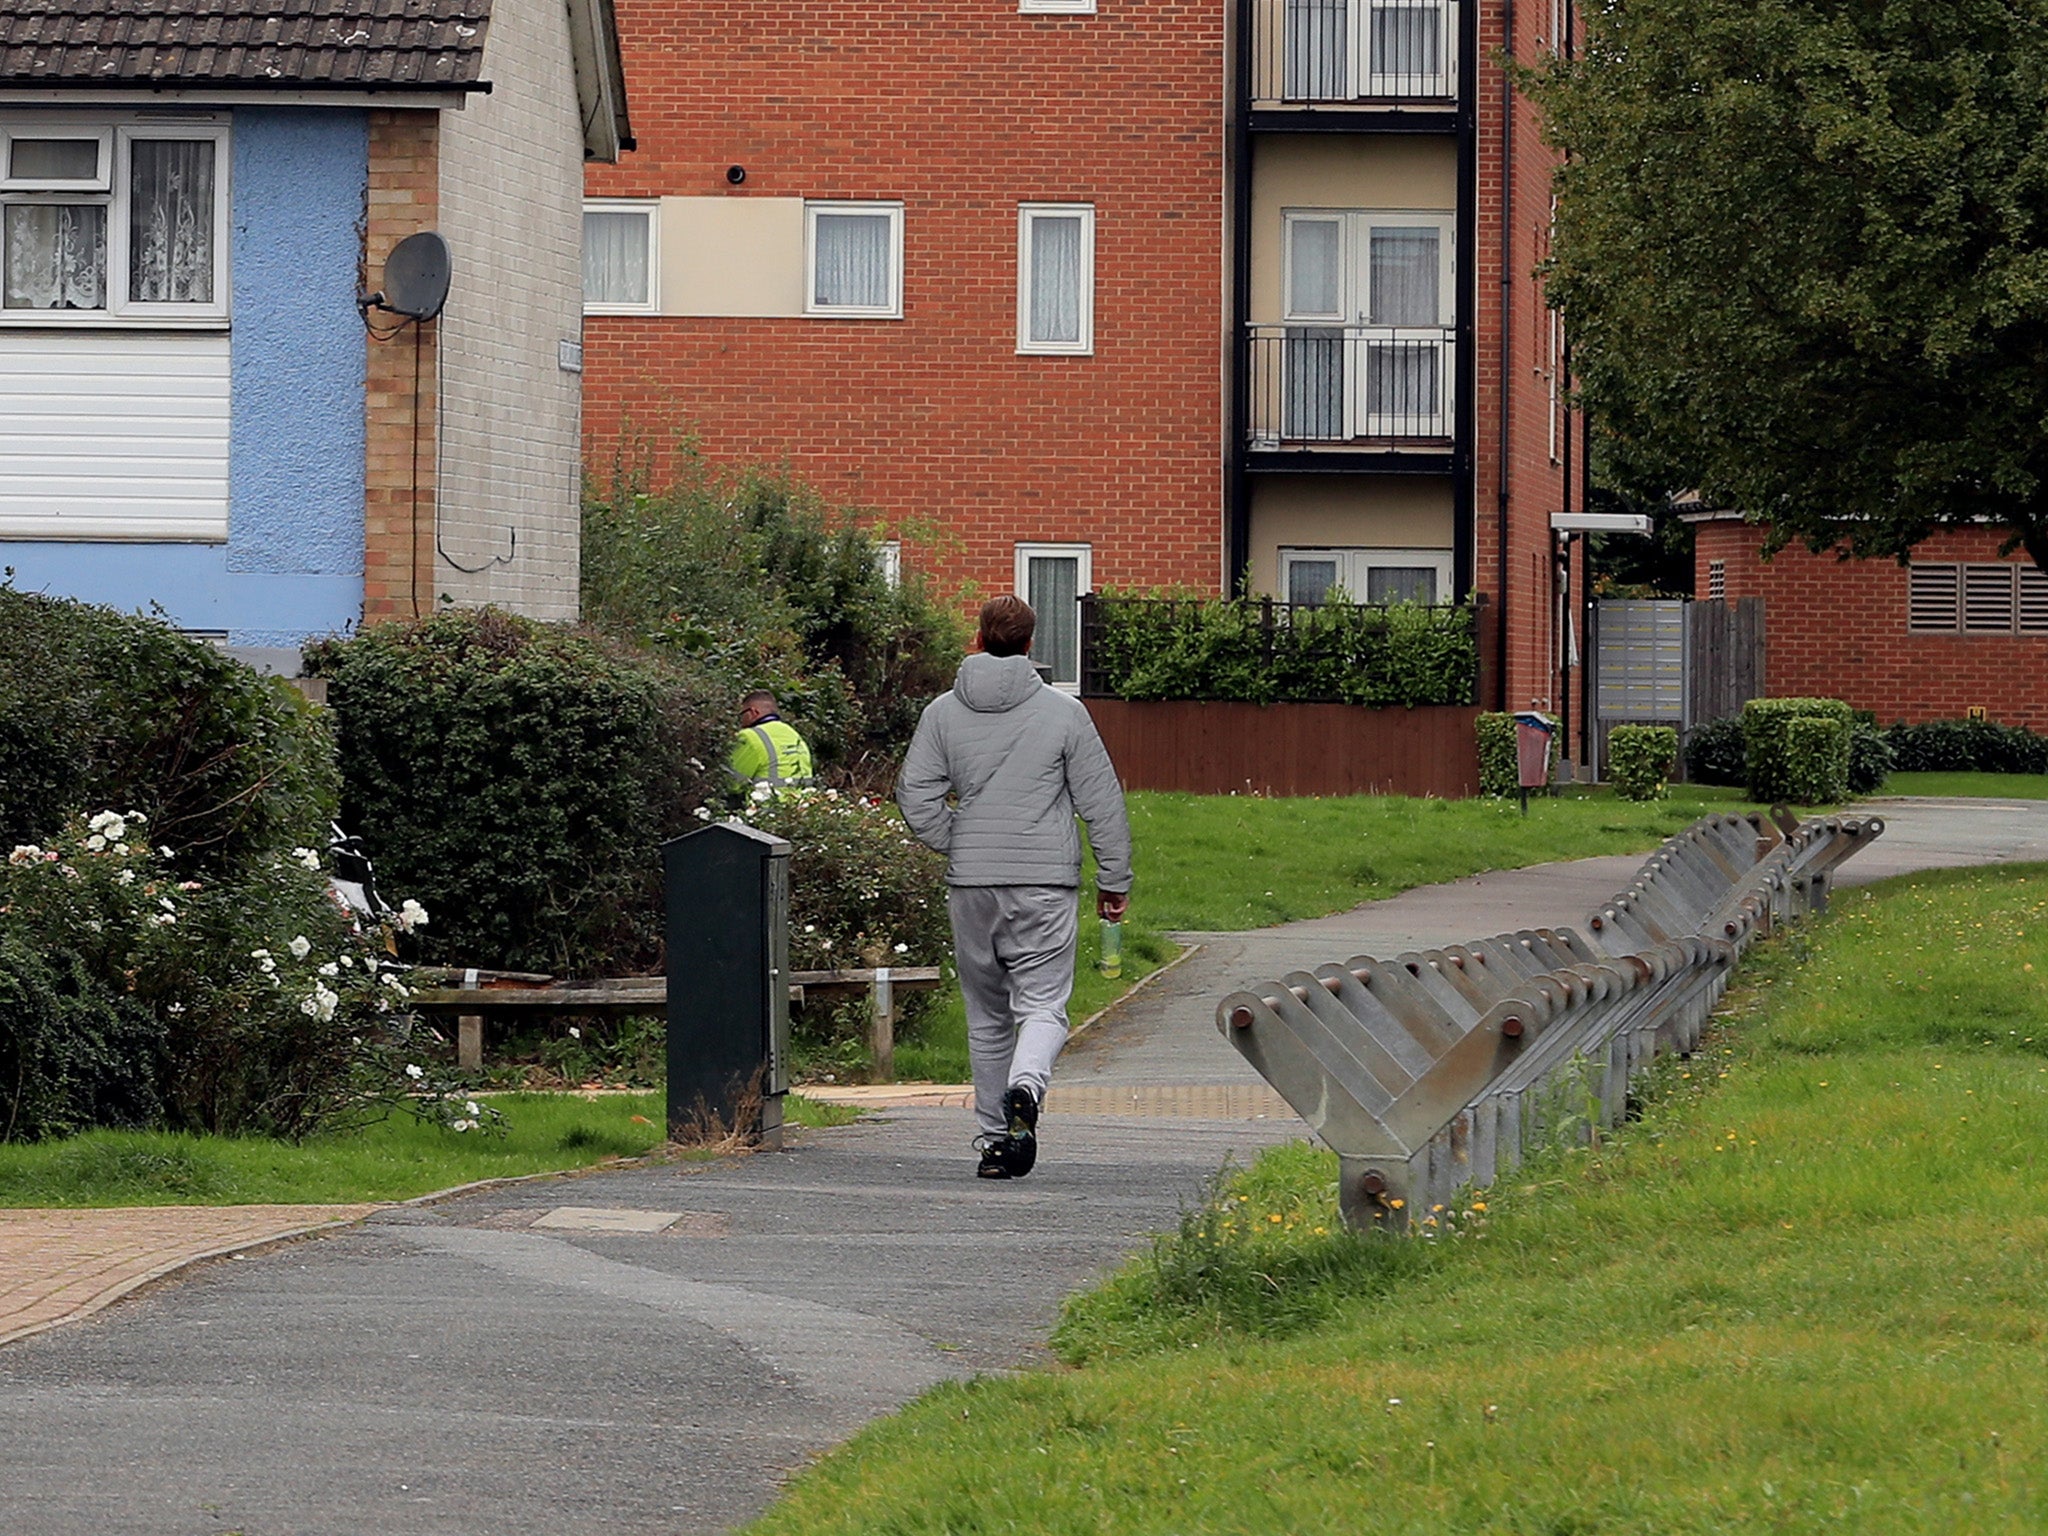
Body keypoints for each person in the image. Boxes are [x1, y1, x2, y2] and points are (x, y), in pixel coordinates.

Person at [896, 595, 1133, 1180]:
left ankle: (997, 1142)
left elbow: (916, 797)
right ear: (1031, 645)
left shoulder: (942, 713)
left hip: (971, 884)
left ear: (977, 639)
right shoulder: (1063, 712)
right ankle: (1027, 1086)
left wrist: (964, 841)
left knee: (986, 1016)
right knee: (1043, 1006)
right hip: (1044, 883)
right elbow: (1100, 802)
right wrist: (1113, 879)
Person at [727, 690, 816, 795]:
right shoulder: (792, 733)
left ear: (753, 712)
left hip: (766, 806)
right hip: (803, 804)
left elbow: (733, 783)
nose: (741, 720)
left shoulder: (749, 736)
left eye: (742, 714)